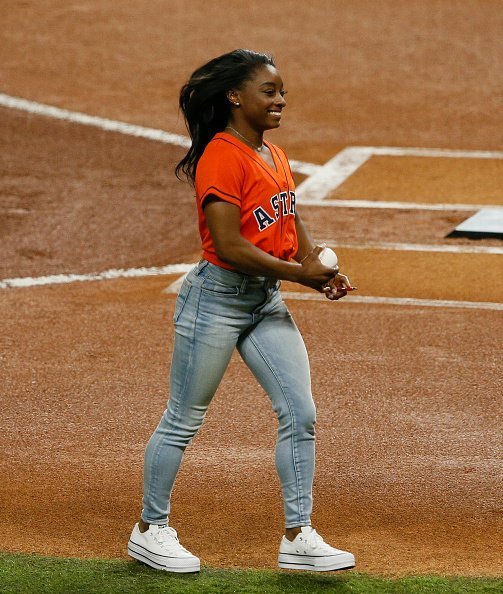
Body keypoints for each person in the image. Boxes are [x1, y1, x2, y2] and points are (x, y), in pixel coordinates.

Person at [128, 49, 356, 574]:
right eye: (269, 91)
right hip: (216, 301)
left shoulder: (274, 155)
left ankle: (298, 536)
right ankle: (149, 528)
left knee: (300, 413)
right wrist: (300, 274)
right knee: (184, 419)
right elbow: (229, 246)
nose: (280, 100)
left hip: (264, 301)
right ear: (235, 96)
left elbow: (290, 223)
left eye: (281, 92)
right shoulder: (221, 156)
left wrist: (318, 269)